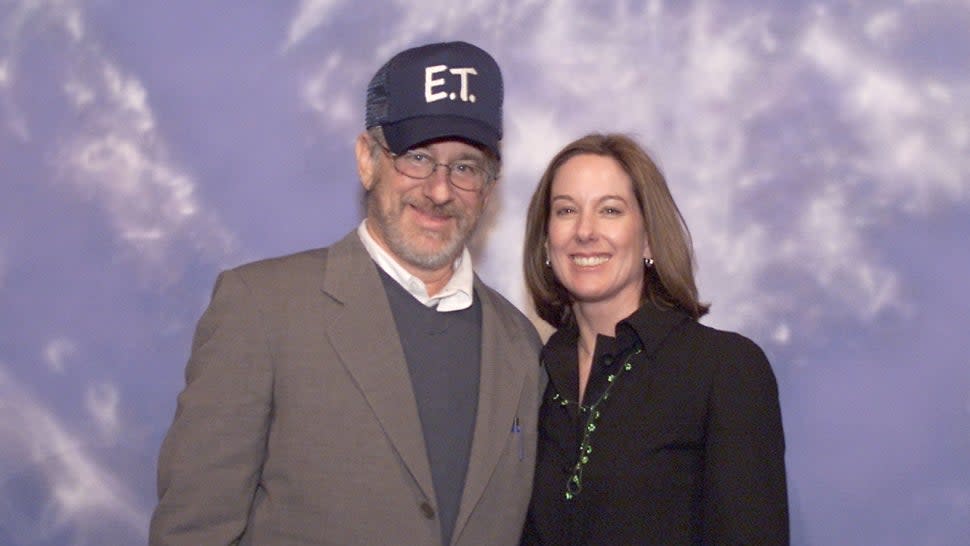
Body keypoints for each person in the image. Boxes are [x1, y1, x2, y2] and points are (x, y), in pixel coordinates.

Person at [149, 41, 543, 546]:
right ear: (367, 160)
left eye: (465, 166)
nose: (440, 191)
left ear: (490, 186)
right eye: (418, 158)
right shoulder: (262, 308)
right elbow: (193, 532)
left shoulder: (521, 348)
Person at [519, 133, 788, 545]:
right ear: (546, 239)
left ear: (648, 238)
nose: (585, 231)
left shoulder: (723, 368)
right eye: (566, 210)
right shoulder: (529, 372)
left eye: (610, 210)